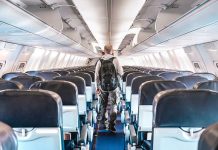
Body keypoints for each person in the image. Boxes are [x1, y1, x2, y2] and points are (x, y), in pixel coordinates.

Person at [95, 44, 123, 132]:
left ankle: (103, 124)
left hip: (103, 87)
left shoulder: (100, 61)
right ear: (112, 50)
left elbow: (96, 76)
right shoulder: (115, 60)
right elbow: (121, 73)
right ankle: (112, 125)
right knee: (113, 106)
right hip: (113, 87)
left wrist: (97, 87)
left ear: (104, 50)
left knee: (103, 105)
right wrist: (116, 82)